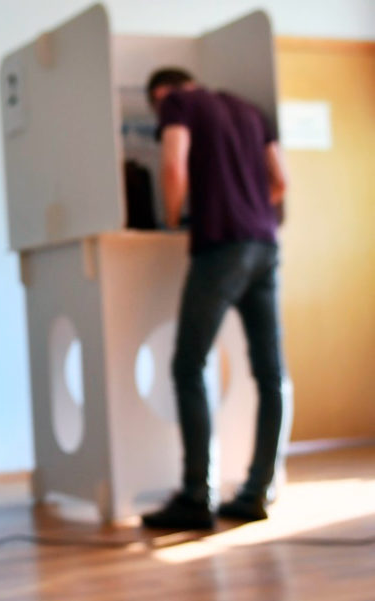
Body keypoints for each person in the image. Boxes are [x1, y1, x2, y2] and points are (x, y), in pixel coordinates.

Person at [140, 68, 289, 530]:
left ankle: (195, 496)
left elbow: (173, 165)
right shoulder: (250, 111)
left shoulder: (177, 104)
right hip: (265, 245)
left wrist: (172, 216)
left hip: (221, 245)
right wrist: (252, 209)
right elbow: (281, 181)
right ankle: (256, 492)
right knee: (271, 374)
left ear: (161, 94)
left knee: (189, 365)